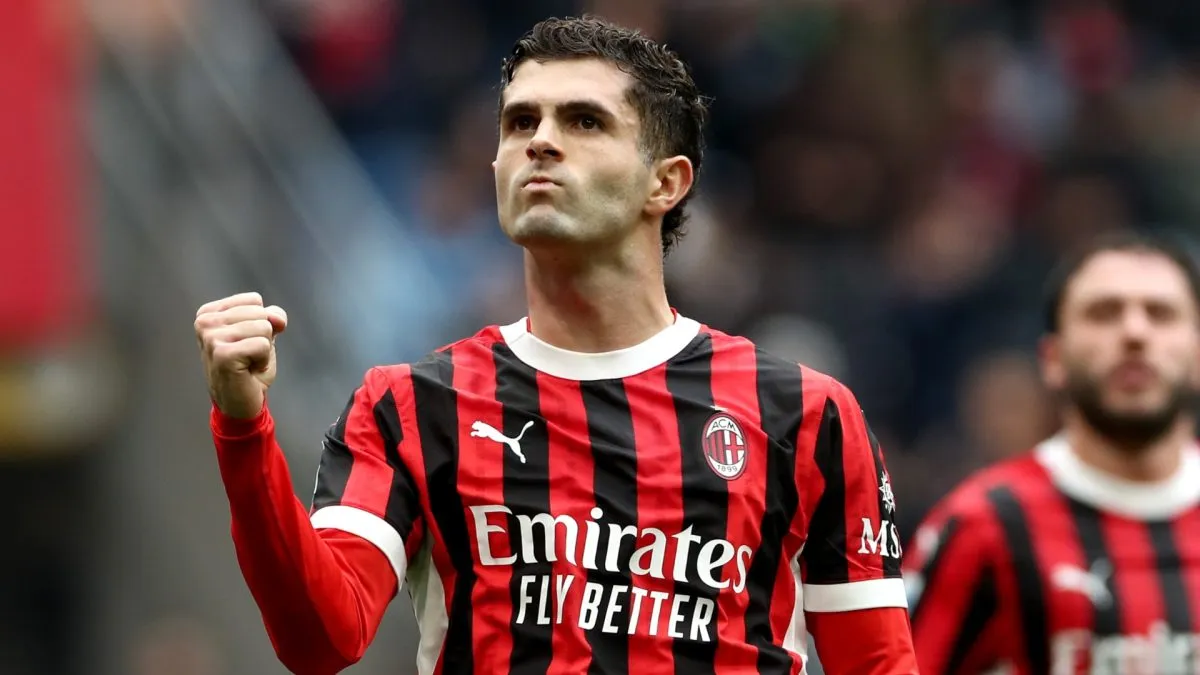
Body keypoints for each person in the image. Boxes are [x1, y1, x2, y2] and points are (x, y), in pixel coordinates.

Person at [194, 16, 916, 675]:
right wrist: (243, 427)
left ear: (665, 182)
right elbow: (320, 640)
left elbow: (878, 663)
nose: (539, 140)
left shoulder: (805, 415)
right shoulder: (411, 406)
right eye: (518, 122)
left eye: (584, 121)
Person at [904, 231, 1200, 675]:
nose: (1135, 332)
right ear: (1052, 359)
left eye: (1161, 314)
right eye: (1104, 313)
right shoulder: (983, 527)